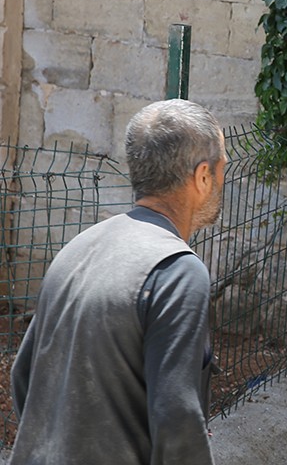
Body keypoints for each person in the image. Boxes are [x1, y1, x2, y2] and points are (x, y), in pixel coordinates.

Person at [11, 99, 225, 465]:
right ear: (202, 177)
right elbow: (176, 418)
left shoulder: (77, 249)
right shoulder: (177, 271)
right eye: (222, 169)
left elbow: (24, 375)